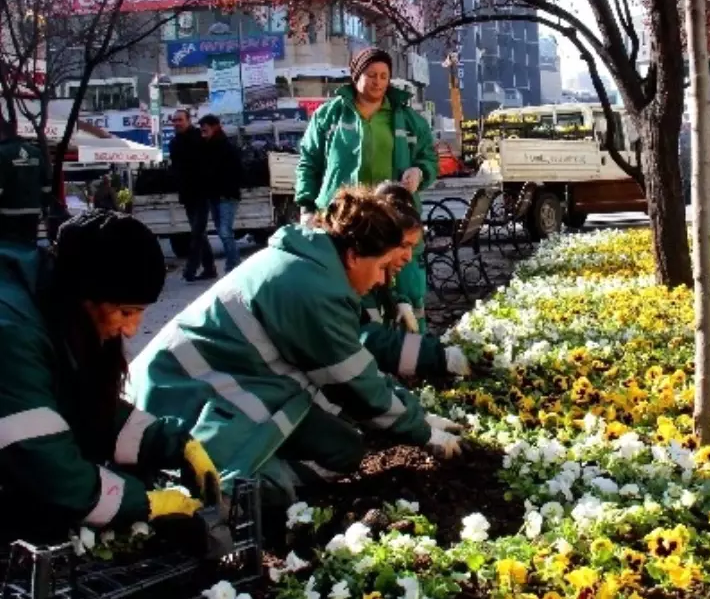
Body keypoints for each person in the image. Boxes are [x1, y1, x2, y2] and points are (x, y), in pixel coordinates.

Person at [126, 187, 465, 505]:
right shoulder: (314, 290)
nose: (381, 280)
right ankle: (245, 480)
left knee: (344, 448)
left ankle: (268, 466)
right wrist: (422, 431)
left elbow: (357, 366)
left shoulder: (316, 267)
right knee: (260, 492)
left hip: (241, 383)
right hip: (181, 395)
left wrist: (418, 416)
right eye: (380, 267)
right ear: (352, 256)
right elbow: (355, 383)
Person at [0, 211, 220, 532]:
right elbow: (47, 467)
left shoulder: (51, 298)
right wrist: (146, 503)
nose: (132, 330)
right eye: (125, 311)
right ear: (86, 299)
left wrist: (174, 444)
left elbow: (85, 405)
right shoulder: (13, 334)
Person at [296, 47, 438, 334]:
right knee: (352, 289)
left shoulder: (407, 118)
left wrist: (419, 171)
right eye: (371, 75)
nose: (377, 82)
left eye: (384, 76)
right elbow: (308, 163)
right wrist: (307, 207)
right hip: (345, 221)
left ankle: (414, 352)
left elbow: (428, 157)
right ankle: (362, 351)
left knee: (405, 289)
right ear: (356, 76)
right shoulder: (328, 116)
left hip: (395, 220)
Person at [367, 182, 475, 381]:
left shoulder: (374, 274)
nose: (408, 257)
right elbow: (370, 341)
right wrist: (439, 358)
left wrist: (398, 300)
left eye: (412, 247)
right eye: (403, 246)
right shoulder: (355, 277)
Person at [169, 110, 216, 282]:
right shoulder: (174, 143)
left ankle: (191, 269)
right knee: (199, 232)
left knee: (197, 232)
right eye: (174, 120)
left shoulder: (199, 137)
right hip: (187, 194)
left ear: (189, 120)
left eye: (180, 120)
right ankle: (209, 268)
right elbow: (176, 169)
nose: (177, 123)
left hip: (202, 192)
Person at [198, 115, 243, 273]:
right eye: (201, 127)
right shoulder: (205, 147)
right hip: (214, 196)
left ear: (215, 127)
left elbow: (237, 171)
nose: (203, 129)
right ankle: (234, 263)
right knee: (221, 231)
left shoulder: (225, 147)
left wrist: (228, 189)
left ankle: (234, 265)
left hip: (227, 196)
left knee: (225, 231)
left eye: (206, 126)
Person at [0, 117, 52, 245]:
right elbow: (46, 185)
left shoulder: (1, 153)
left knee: (9, 249)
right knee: (29, 246)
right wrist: (44, 206)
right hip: (32, 212)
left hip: (7, 213)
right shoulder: (35, 152)